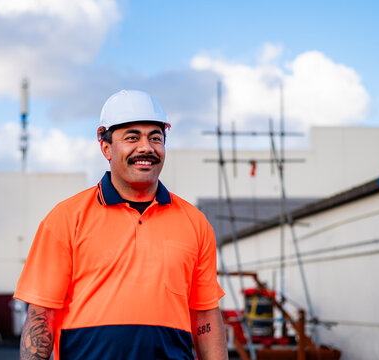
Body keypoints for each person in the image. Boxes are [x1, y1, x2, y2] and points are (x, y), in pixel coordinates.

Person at [14, 89, 228, 360]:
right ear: (106, 147)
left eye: (155, 138)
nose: (146, 148)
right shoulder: (66, 218)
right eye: (132, 137)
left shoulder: (195, 223)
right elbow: (40, 316)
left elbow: (205, 316)